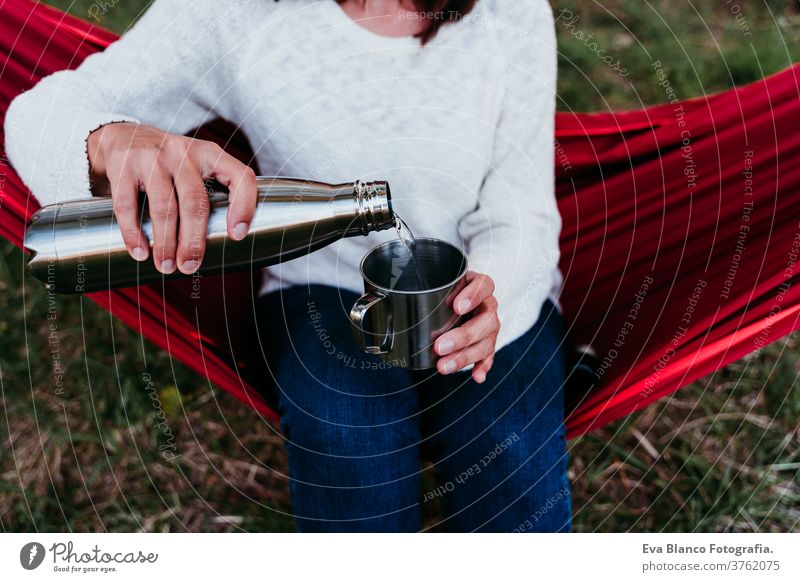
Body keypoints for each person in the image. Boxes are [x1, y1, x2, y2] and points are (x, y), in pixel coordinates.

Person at [5, 0, 570, 532]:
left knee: (510, 452)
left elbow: (519, 210)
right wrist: (108, 140)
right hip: (320, 281)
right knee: (349, 432)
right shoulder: (234, 12)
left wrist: (490, 292)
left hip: (492, 288)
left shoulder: (511, 12)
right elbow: (39, 113)